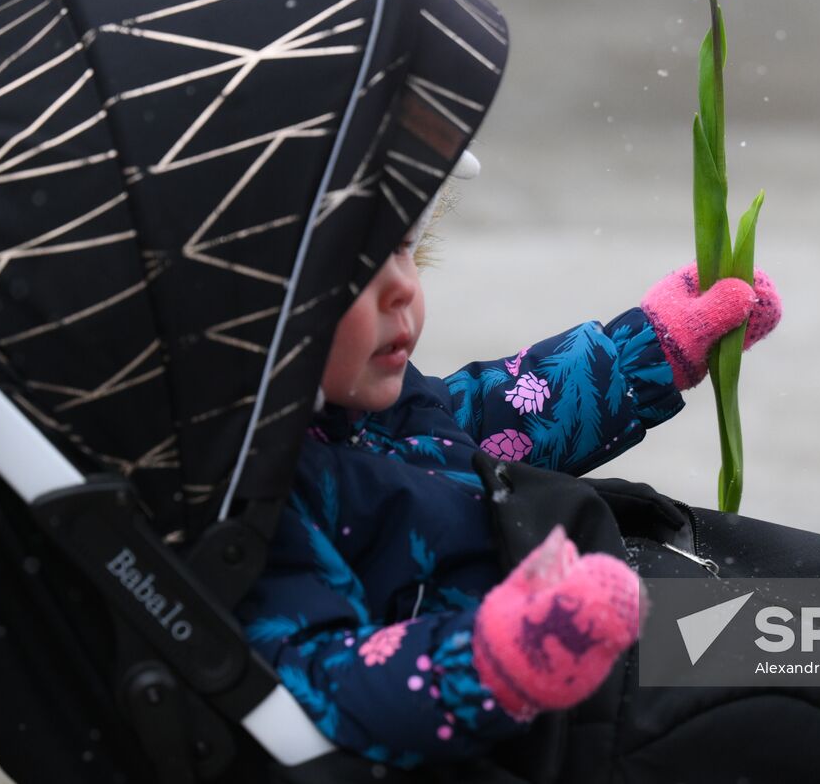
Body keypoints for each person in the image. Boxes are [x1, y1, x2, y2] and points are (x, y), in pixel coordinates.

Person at [236, 185, 782, 770]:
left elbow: (468, 427)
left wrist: (648, 351)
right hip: (567, 707)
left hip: (613, 604)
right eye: (354, 269)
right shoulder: (250, 511)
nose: (402, 286)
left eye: (401, 248)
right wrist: (497, 660)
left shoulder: (362, 405)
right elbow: (316, 686)